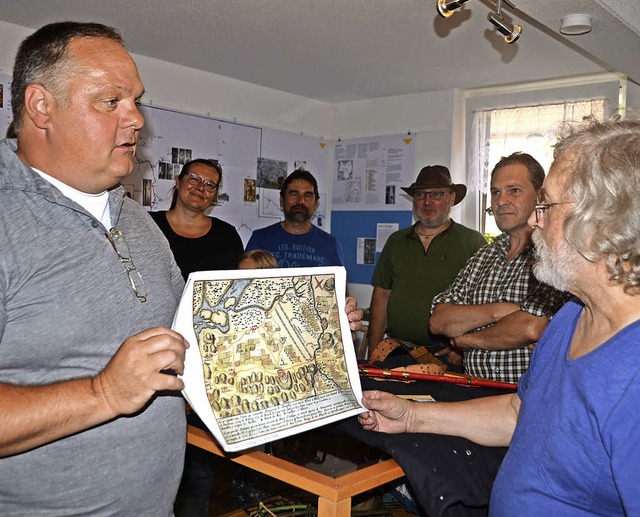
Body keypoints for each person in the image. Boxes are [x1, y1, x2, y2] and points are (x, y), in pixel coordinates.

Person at [359, 117, 640, 515]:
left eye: (546, 205)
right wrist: (411, 416)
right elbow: (519, 412)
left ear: (603, 219)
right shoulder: (572, 319)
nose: (535, 219)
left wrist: (470, 336)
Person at [0, 21, 188, 514]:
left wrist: (301, 325)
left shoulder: (139, 221)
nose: (136, 120)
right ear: (41, 106)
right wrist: (102, 392)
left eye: (136, 101)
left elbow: (192, 340)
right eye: (111, 102)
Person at [429, 153, 569, 383]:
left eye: (514, 190)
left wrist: (466, 340)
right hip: (474, 392)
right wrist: (501, 310)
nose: (501, 200)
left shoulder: (553, 255)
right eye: (496, 192)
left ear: (540, 195)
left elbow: (530, 327)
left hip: (524, 398)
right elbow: (439, 320)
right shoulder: (484, 255)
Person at [368, 165, 487, 355]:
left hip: (447, 356)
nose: (427, 202)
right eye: (420, 195)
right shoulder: (396, 241)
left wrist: (463, 345)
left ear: (452, 198)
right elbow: (381, 295)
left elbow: (484, 305)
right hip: (397, 351)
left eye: (437, 195)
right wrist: (374, 349)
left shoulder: (472, 242)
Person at [151, 158, 244, 279]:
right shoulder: (149, 224)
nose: (200, 187)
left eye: (209, 185)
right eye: (194, 179)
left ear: (214, 195)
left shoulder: (228, 235)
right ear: (178, 182)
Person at [245, 169, 345, 268]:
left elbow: (339, 283)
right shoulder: (260, 239)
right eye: (293, 194)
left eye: (307, 196)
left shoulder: (330, 244)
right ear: (281, 201)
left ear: (316, 204)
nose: (300, 201)